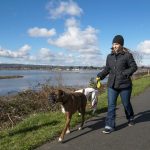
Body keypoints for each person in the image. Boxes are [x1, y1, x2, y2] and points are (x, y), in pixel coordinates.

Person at [97, 35, 137, 134]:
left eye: (117, 44)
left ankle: (130, 117)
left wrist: (125, 73)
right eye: (113, 44)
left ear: (121, 45)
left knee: (126, 104)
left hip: (125, 85)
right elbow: (107, 69)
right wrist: (100, 76)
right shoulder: (109, 56)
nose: (114, 46)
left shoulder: (127, 55)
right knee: (111, 105)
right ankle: (109, 125)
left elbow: (134, 67)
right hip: (112, 85)